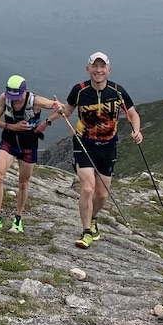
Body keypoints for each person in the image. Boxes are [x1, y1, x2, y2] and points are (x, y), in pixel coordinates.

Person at [51, 52, 143, 249]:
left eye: (102, 67)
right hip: (84, 143)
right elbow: (67, 111)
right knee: (87, 188)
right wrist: (58, 111)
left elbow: (133, 115)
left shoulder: (117, 91)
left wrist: (136, 131)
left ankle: (92, 218)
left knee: (101, 195)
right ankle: (86, 232)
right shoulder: (80, 90)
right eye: (95, 66)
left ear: (109, 70)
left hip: (108, 146)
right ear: (88, 69)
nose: (98, 70)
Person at [0, 75, 63, 233]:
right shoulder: (4, 98)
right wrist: (13, 127)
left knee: (23, 183)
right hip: (9, 141)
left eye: (17, 96)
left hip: (29, 144)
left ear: (24, 91)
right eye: (11, 96)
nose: (14, 99)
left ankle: (18, 219)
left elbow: (60, 109)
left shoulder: (35, 101)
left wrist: (46, 122)